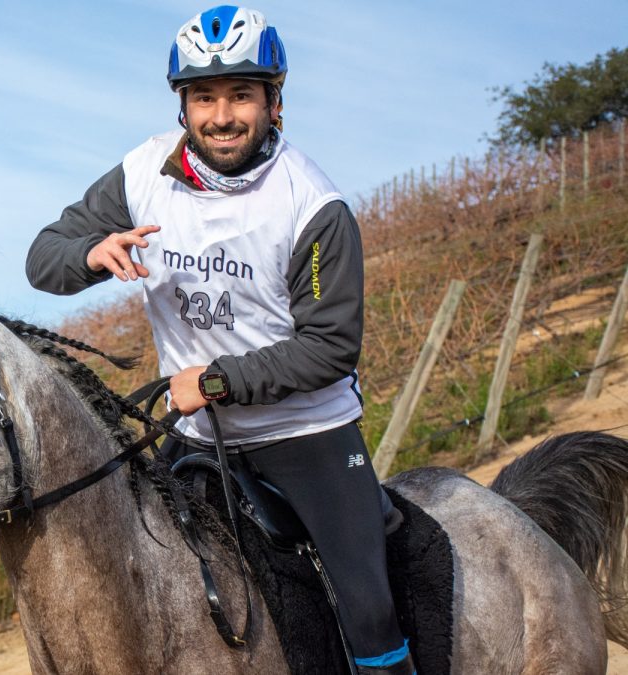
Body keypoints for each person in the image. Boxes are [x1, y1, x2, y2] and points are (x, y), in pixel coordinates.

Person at [25, 5, 414, 674]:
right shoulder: (142, 174)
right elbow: (43, 258)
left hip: (308, 434)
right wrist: (91, 253)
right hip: (199, 437)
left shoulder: (312, 203)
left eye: (241, 94)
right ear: (184, 105)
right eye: (204, 97)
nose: (222, 114)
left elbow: (329, 349)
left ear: (273, 101)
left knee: (369, 608)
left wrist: (213, 380)